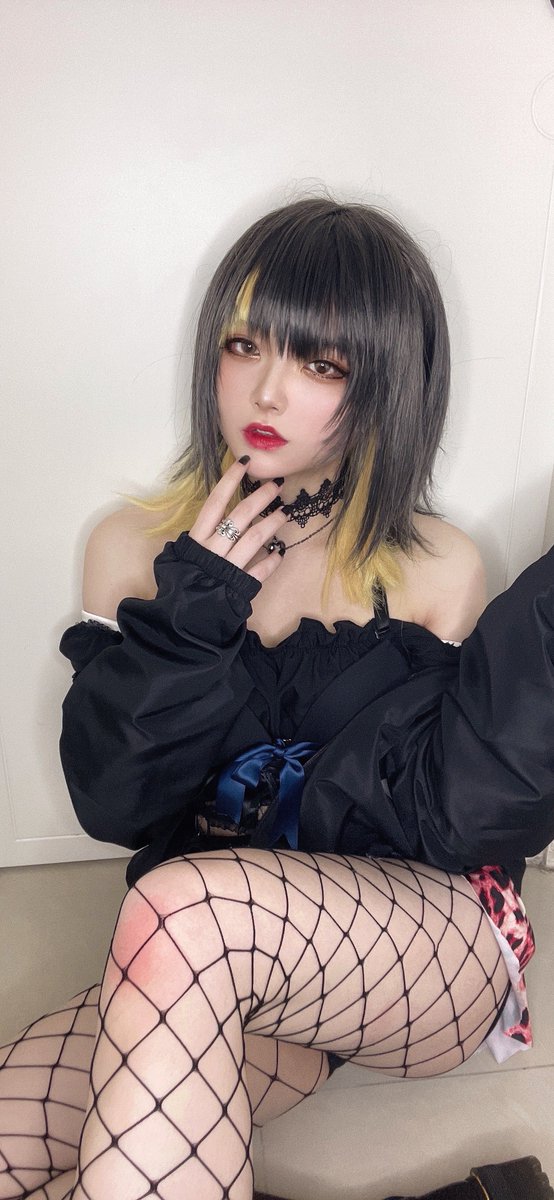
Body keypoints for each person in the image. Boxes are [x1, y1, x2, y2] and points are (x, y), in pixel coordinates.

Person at [1, 197, 553, 1200]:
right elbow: (117, 805)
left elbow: (452, 820)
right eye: (244, 345)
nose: (265, 389)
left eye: (321, 365)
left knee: (181, 909)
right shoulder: (131, 547)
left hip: (422, 941)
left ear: (383, 384)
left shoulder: (437, 566)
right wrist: (192, 616)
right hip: (206, 953)